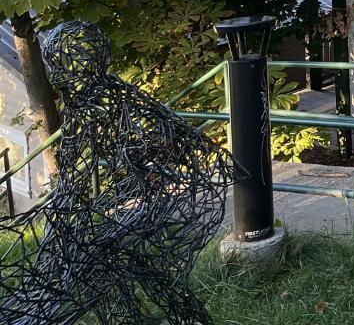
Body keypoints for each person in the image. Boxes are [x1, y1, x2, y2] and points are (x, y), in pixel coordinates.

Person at [0, 22, 234, 324]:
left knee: (111, 259)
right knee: (92, 259)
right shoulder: (80, 109)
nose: (57, 76)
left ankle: (187, 317)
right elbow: (71, 185)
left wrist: (141, 157)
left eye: (61, 65)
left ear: (92, 63)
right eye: (54, 65)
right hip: (143, 197)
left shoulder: (119, 100)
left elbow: (187, 143)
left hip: (183, 195)